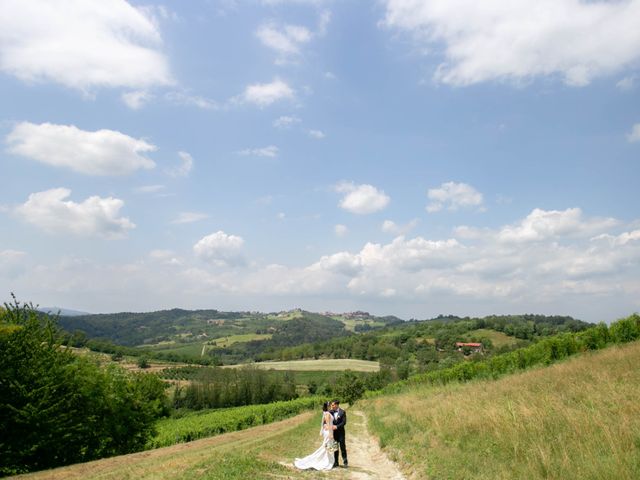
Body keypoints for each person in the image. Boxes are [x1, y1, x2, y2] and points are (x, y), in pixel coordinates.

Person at [293, 402, 336, 471]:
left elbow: (326, 424)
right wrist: (331, 434)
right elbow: (328, 424)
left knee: (327, 447)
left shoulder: (327, 413)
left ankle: (327, 460)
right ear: (327, 406)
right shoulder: (327, 414)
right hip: (328, 432)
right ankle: (325, 461)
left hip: (328, 431)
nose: (331, 406)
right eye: (330, 405)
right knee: (327, 447)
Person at [330, 399, 348, 468]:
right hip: (334, 433)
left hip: (341, 433)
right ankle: (336, 462)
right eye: (332, 405)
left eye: (333, 405)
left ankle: (345, 462)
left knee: (342, 447)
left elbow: (344, 422)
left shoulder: (342, 412)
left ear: (337, 405)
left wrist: (336, 427)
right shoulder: (331, 412)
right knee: (335, 447)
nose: (332, 406)